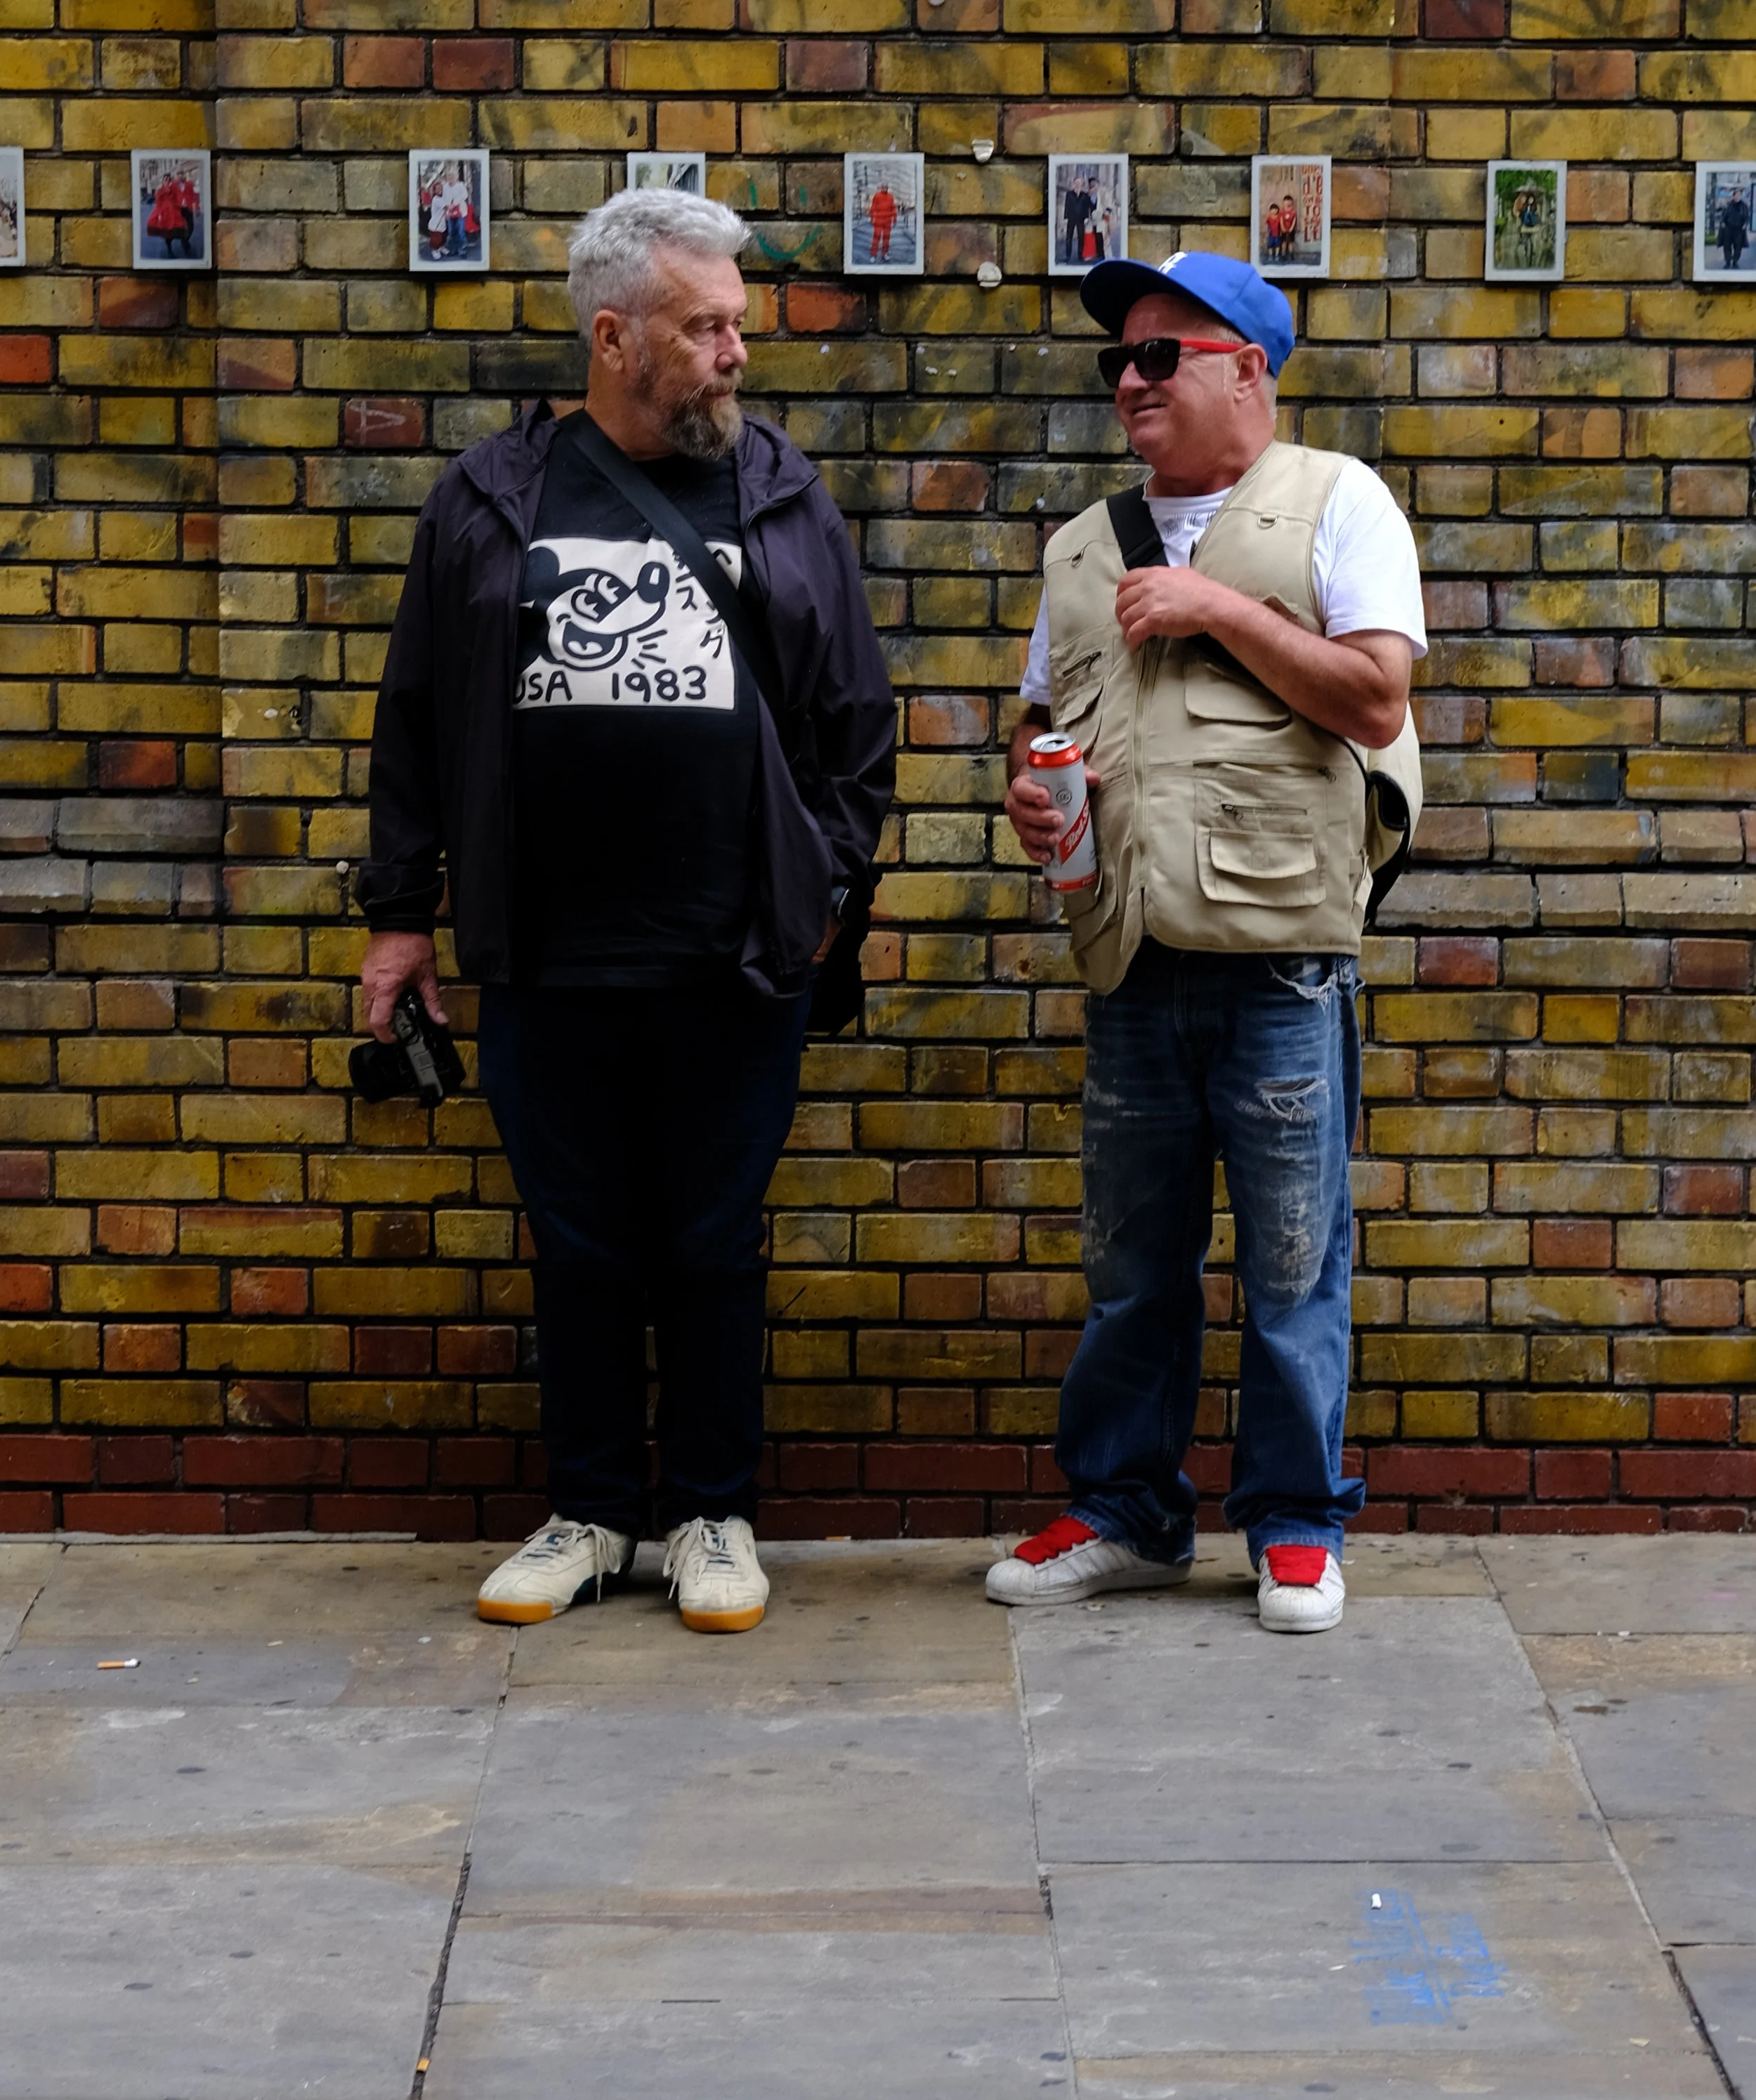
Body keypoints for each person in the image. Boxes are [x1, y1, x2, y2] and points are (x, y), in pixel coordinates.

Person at [359, 190, 896, 1634]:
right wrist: (400, 917)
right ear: (615, 336)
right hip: (546, 949)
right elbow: (411, 719)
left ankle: (710, 1510)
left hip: (735, 948)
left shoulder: (781, 493)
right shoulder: (489, 498)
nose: (734, 350)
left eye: (736, 322)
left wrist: (827, 896)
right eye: (704, 326)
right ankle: (591, 1509)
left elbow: (856, 720)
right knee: (580, 1239)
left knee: (714, 1237)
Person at [986, 248, 1427, 1636]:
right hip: (1127, 954)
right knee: (1131, 1263)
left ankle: (1294, 1523)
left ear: (1248, 366)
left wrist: (1215, 606)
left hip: (1282, 960)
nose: (1128, 380)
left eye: (1160, 354)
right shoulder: (1078, 545)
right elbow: (1037, 714)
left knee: (1293, 1262)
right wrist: (1029, 780)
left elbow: (1372, 696)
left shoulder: (1333, 502)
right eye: (1117, 359)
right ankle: (1125, 1508)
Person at [867, 176, 898, 264]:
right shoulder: (877, 196)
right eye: (883, 187)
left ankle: (885, 253)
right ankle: (873, 255)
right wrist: (872, 218)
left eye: (886, 187)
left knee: (886, 239)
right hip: (879, 221)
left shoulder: (891, 197)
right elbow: (873, 208)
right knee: (876, 239)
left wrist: (894, 219)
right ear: (881, 188)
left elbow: (893, 209)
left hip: (888, 221)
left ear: (887, 188)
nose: (885, 188)